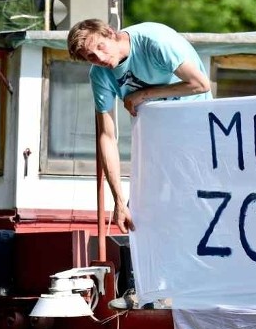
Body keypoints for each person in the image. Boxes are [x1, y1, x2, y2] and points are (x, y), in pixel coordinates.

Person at [67, 19, 212, 235]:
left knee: (197, 207)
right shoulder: (99, 74)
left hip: (195, 131)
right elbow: (107, 136)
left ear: (109, 33)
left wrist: (143, 94)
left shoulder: (155, 42)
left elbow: (200, 84)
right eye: (91, 57)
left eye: (100, 47)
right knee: (152, 214)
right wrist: (118, 200)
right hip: (156, 142)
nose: (100, 58)